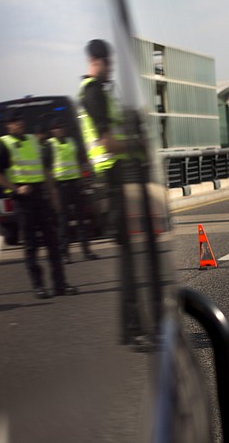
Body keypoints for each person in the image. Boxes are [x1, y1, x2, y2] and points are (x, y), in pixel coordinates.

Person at [79, 38, 149, 348]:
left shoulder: (101, 93)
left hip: (117, 179)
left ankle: (134, 326)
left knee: (132, 258)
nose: (112, 70)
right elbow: (106, 142)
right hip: (110, 181)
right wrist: (137, 144)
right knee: (130, 261)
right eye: (109, 64)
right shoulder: (93, 93)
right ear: (98, 61)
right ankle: (134, 329)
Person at [0, 110, 77, 299]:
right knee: (31, 246)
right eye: (14, 121)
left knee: (53, 244)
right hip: (23, 201)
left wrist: (54, 197)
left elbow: (45, 170)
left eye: (20, 120)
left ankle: (60, 284)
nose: (19, 123)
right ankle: (38, 286)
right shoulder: (4, 144)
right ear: (8, 125)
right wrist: (15, 189)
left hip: (41, 197)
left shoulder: (32, 140)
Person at [44, 118, 99, 263]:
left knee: (82, 220)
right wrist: (52, 190)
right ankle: (65, 254)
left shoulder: (72, 142)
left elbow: (81, 162)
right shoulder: (50, 145)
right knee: (63, 222)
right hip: (61, 187)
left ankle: (87, 251)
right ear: (52, 131)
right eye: (57, 128)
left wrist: (84, 181)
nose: (60, 130)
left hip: (76, 185)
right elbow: (47, 170)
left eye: (61, 127)